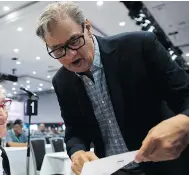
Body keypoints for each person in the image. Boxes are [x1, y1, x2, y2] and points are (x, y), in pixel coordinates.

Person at [35, 2, 189, 175]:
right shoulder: (61, 81)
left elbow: (185, 95)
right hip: (111, 170)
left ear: (87, 27)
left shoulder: (139, 46)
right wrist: (77, 153)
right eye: (57, 50)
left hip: (164, 167)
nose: (70, 55)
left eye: (74, 41)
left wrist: (184, 122)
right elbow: (74, 131)